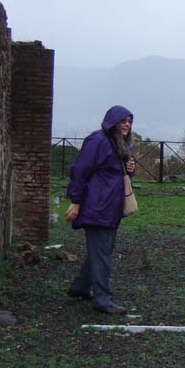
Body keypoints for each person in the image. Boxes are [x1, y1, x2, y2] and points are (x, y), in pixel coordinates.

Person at [65, 105, 136, 314]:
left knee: (102, 250)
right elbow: (80, 169)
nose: (126, 125)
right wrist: (75, 201)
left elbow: (114, 173)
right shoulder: (98, 140)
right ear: (112, 122)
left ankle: (80, 287)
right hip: (98, 207)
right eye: (122, 121)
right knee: (102, 252)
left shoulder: (118, 144)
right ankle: (102, 300)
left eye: (129, 121)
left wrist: (130, 170)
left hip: (110, 207)